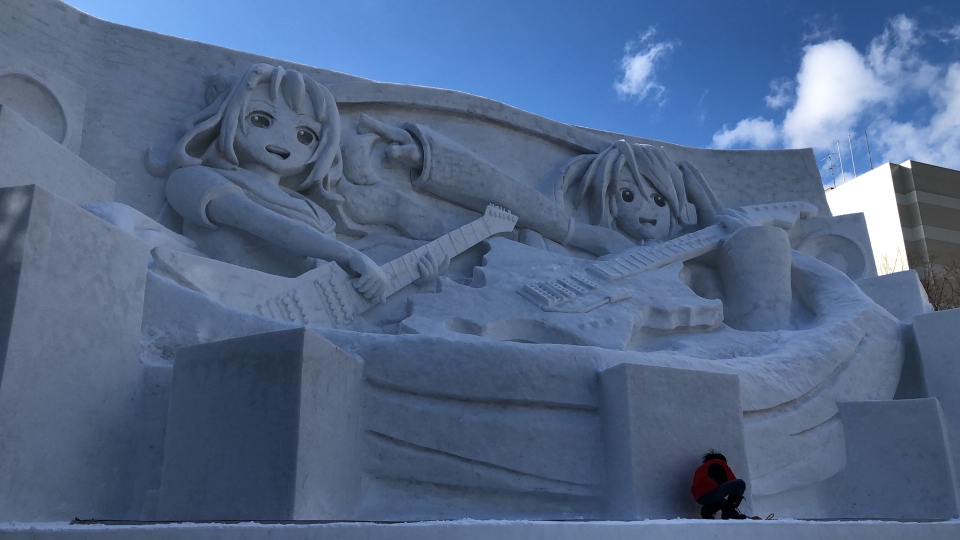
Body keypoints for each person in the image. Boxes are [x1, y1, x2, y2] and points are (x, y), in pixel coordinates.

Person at [148, 64, 442, 303]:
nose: (284, 140)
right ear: (228, 117)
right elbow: (259, 221)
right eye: (261, 120)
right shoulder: (192, 179)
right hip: (225, 307)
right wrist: (349, 255)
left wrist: (414, 281)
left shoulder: (315, 214)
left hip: (300, 319)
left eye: (305, 135)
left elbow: (339, 290)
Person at [691, 450, 747, 520]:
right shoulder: (720, 462)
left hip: (699, 497)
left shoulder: (702, 468)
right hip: (711, 492)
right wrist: (733, 501)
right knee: (740, 483)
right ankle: (729, 512)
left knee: (722, 502)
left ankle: (707, 511)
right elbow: (732, 481)